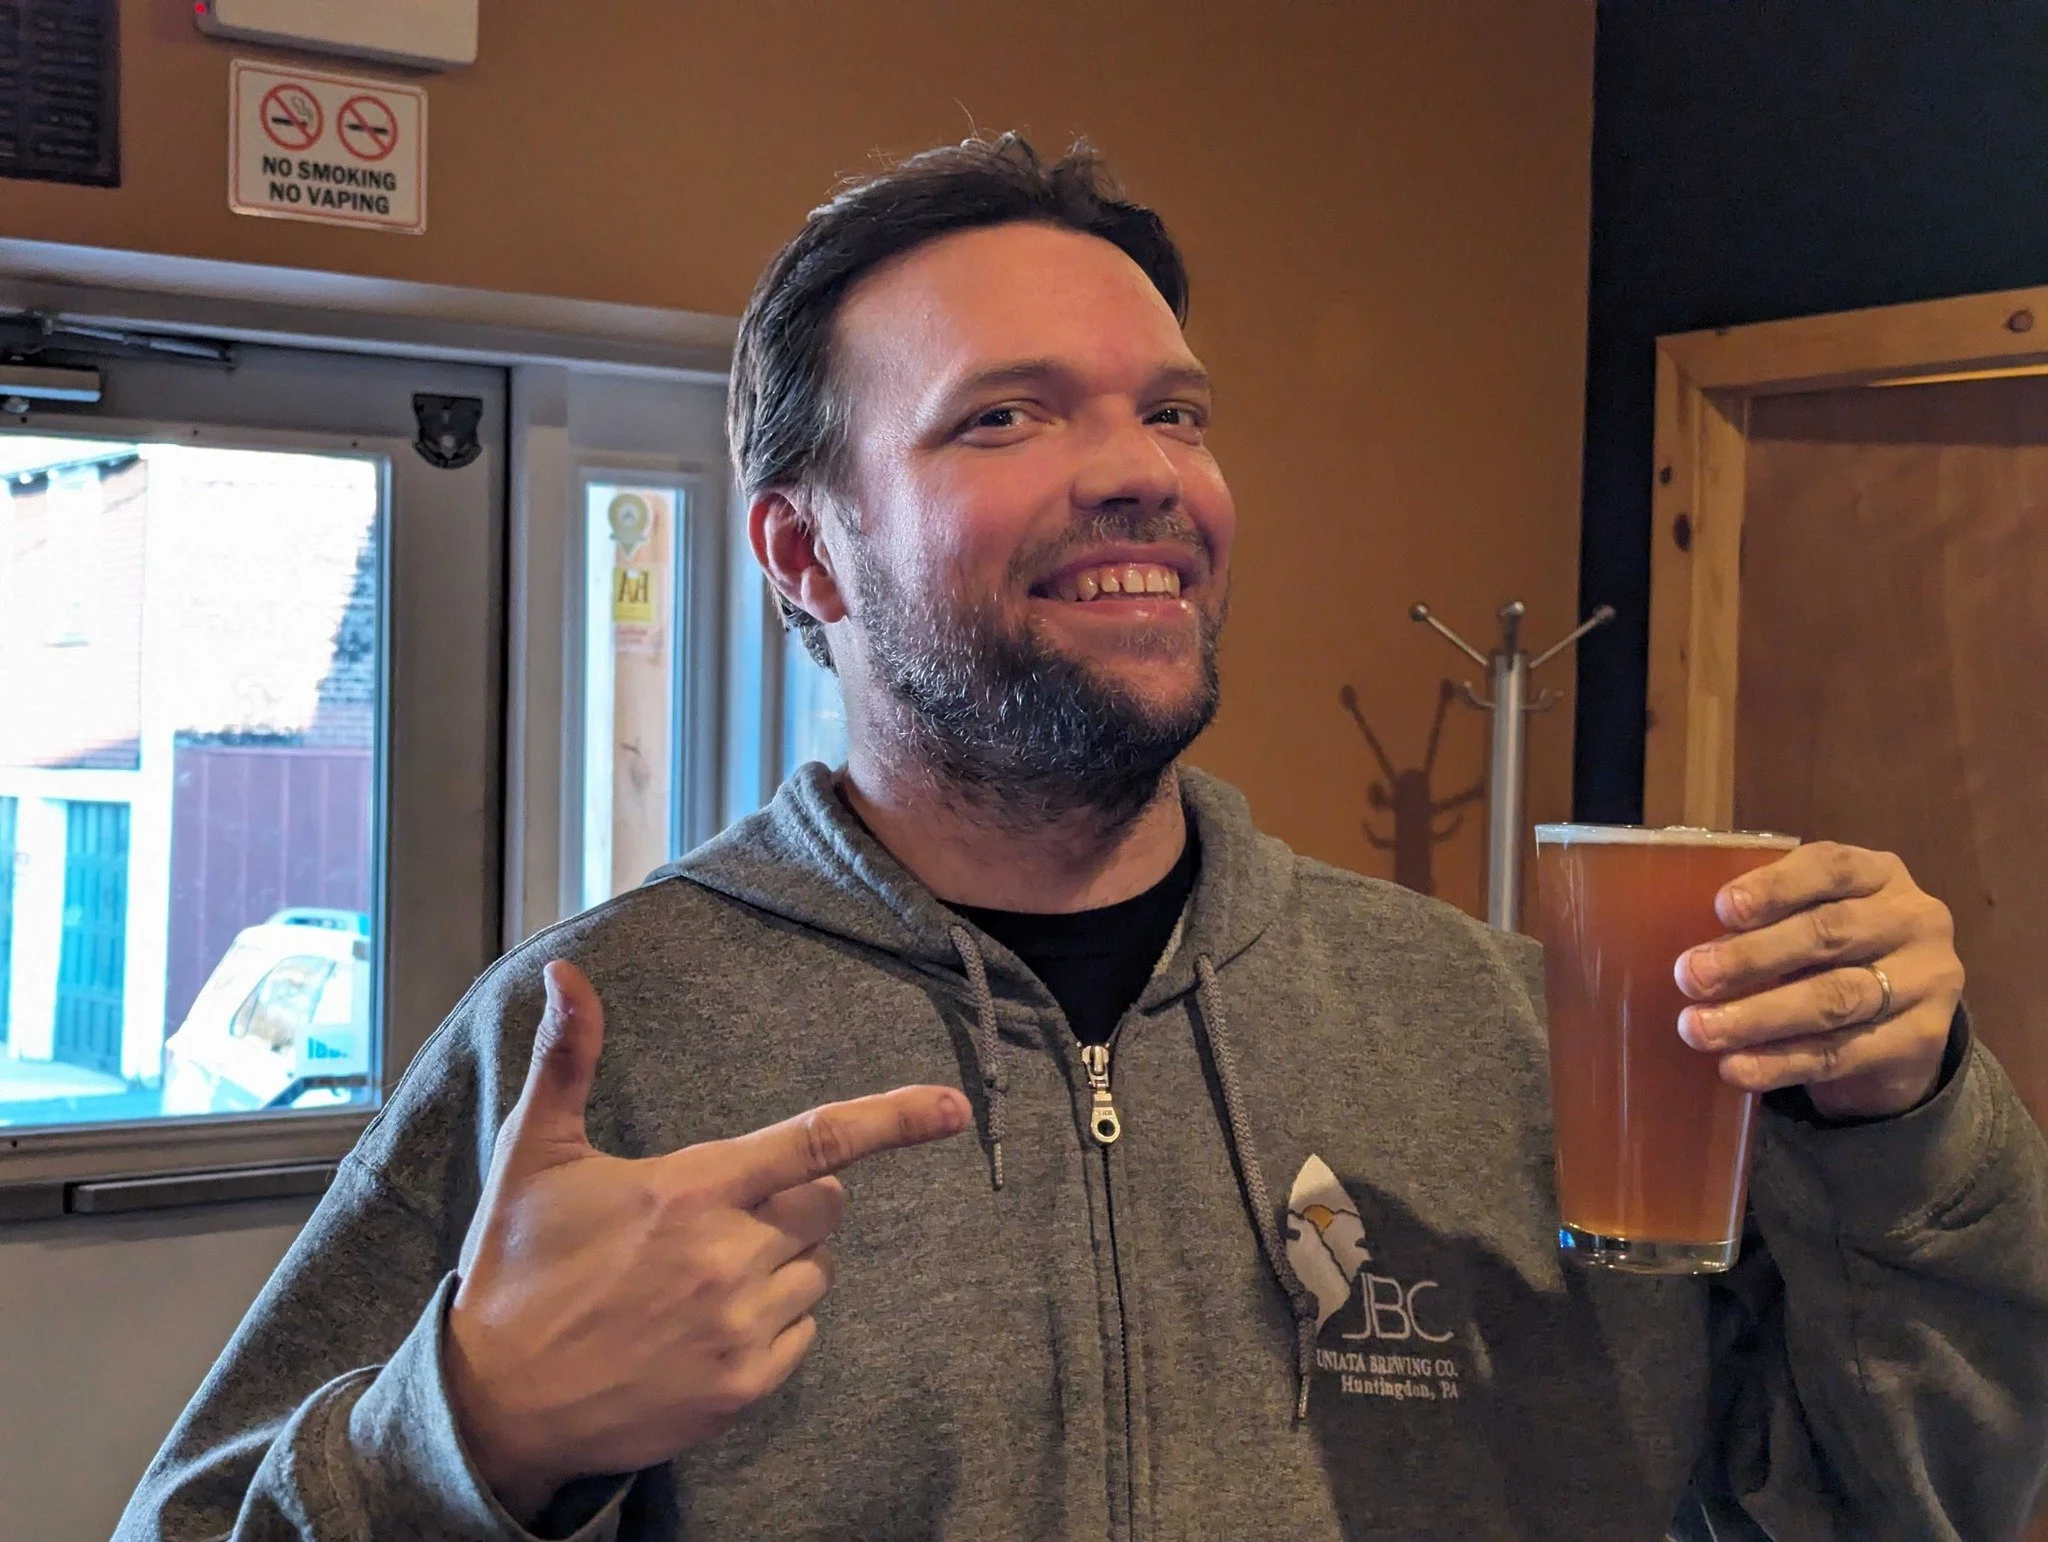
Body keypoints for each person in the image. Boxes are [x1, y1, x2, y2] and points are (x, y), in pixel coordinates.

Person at [120, 135, 2047, 1542]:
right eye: (1004, 418)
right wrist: (472, 1435)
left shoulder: (1506, 1030)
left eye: (1175, 411)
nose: (1142, 468)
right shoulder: (604, 1041)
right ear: (803, 551)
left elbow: (1928, 1497)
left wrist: (1912, 1136)